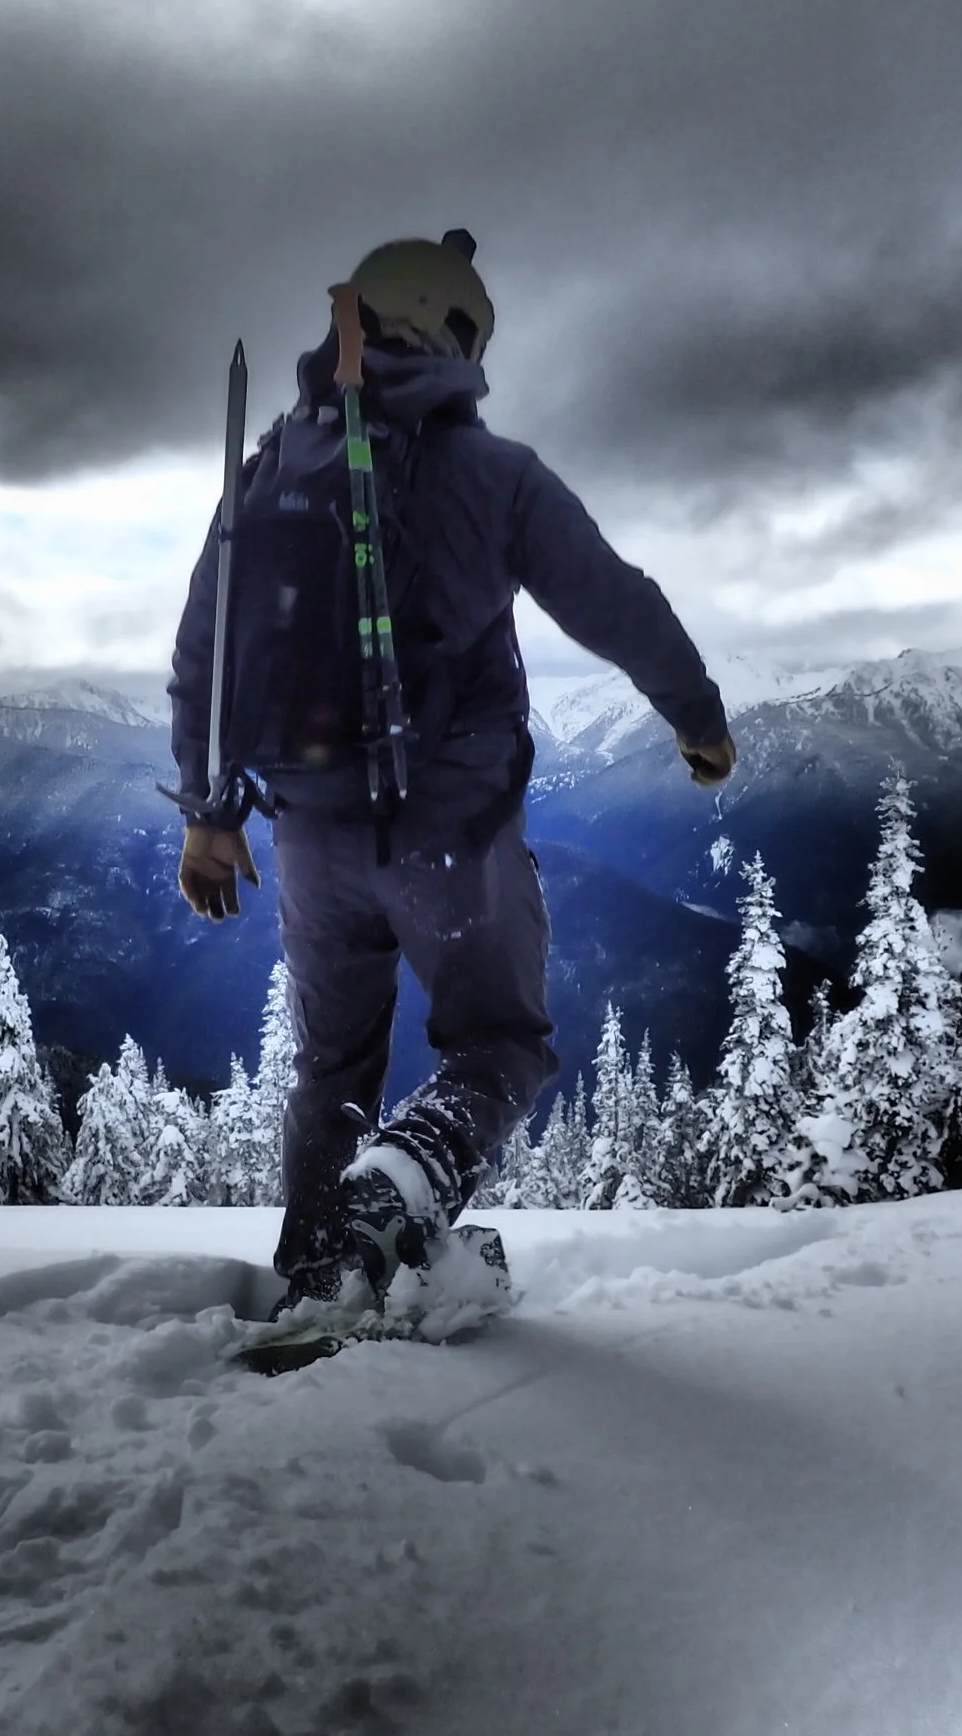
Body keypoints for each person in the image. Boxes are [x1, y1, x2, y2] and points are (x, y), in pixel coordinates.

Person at [166, 231, 734, 1315]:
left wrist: (209, 817)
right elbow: (615, 601)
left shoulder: (269, 471)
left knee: (332, 1070)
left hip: (310, 839)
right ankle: (389, 1202)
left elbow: (205, 650)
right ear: (456, 335)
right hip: (453, 837)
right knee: (501, 1047)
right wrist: (696, 717)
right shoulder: (496, 476)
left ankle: (314, 1277)